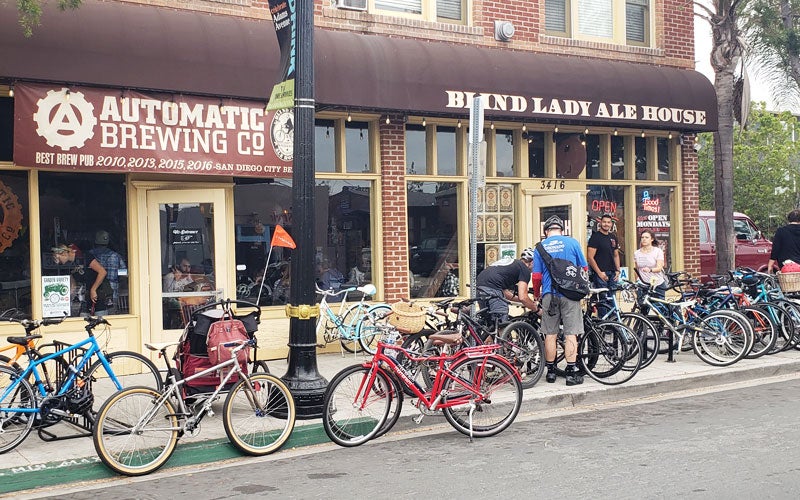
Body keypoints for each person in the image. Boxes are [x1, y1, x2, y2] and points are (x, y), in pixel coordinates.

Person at [531, 215, 589, 386]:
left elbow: (536, 276)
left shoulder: (540, 248)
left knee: (550, 334)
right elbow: (584, 268)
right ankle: (571, 373)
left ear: (546, 232)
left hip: (549, 294)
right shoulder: (572, 243)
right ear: (562, 230)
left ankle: (551, 372)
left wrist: (537, 294)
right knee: (571, 333)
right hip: (570, 294)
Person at [476, 247, 539, 322]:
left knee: (489, 321)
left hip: (480, 287)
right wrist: (536, 309)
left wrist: (527, 302)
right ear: (532, 262)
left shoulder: (512, 265)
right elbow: (523, 297)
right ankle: (501, 333)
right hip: (492, 288)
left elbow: (505, 293)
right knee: (501, 320)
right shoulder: (524, 270)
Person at [52, 243, 111, 316]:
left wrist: (93, 289)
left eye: (57, 258)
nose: (56, 261)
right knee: (82, 320)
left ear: (63, 254)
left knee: (100, 320)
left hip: (98, 294)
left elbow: (102, 272)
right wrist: (65, 299)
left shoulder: (84, 257)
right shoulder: (68, 265)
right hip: (84, 297)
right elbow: (73, 285)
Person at [587, 213, 620, 318]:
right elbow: (590, 257)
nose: (606, 224)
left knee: (612, 298)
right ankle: (604, 325)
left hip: (612, 273)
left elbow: (616, 255)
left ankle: (614, 325)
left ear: (611, 224)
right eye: (604, 222)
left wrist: (618, 270)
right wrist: (599, 273)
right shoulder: (595, 237)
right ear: (600, 223)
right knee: (603, 300)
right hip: (601, 273)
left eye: (608, 222)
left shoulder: (613, 237)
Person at [633, 230, 668, 315]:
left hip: (657, 284)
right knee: (643, 309)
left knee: (659, 309)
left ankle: (661, 327)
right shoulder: (637, 253)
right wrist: (636, 282)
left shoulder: (657, 251)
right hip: (643, 285)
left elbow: (660, 267)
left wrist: (650, 270)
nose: (644, 239)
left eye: (646, 237)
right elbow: (636, 269)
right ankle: (642, 327)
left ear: (651, 239)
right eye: (642, 237)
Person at [91, 230, 126, 313]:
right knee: (111, 316)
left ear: (96, 241)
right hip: (112, 289)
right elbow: (124, 273)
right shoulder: (116, 256)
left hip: (95, 290)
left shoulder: (90, 255)